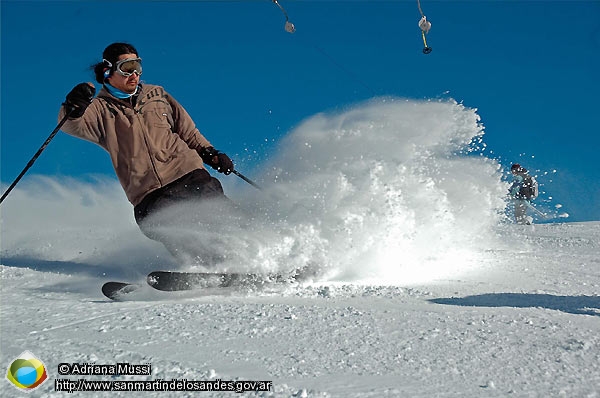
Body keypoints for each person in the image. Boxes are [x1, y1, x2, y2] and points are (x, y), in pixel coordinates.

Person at [59, 42, 235, 260]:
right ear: (108, 70)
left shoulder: (157, 94)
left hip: (187, 173)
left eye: (138, 66)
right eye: (127, 67)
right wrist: (73, 107)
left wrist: (210, 152)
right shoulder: (99, 109)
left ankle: (264, 254)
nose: (134, 74)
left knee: (221, 215)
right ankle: (205, 266)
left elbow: (188, 131)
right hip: (148, 193)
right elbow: (71, 124)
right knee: (170, 229)